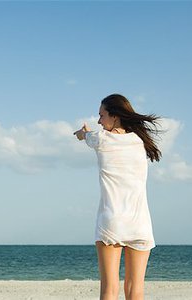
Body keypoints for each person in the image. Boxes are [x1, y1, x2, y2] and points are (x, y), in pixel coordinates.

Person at [74, 94, 161, 300]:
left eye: (102, 115)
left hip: (111, 222)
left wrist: (82, 132)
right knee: (135, 290)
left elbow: (84, 135)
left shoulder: (101, 139)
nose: (99, 121)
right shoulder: (140, 142)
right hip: (140, 223)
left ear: (115, 116)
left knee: (109, 289)